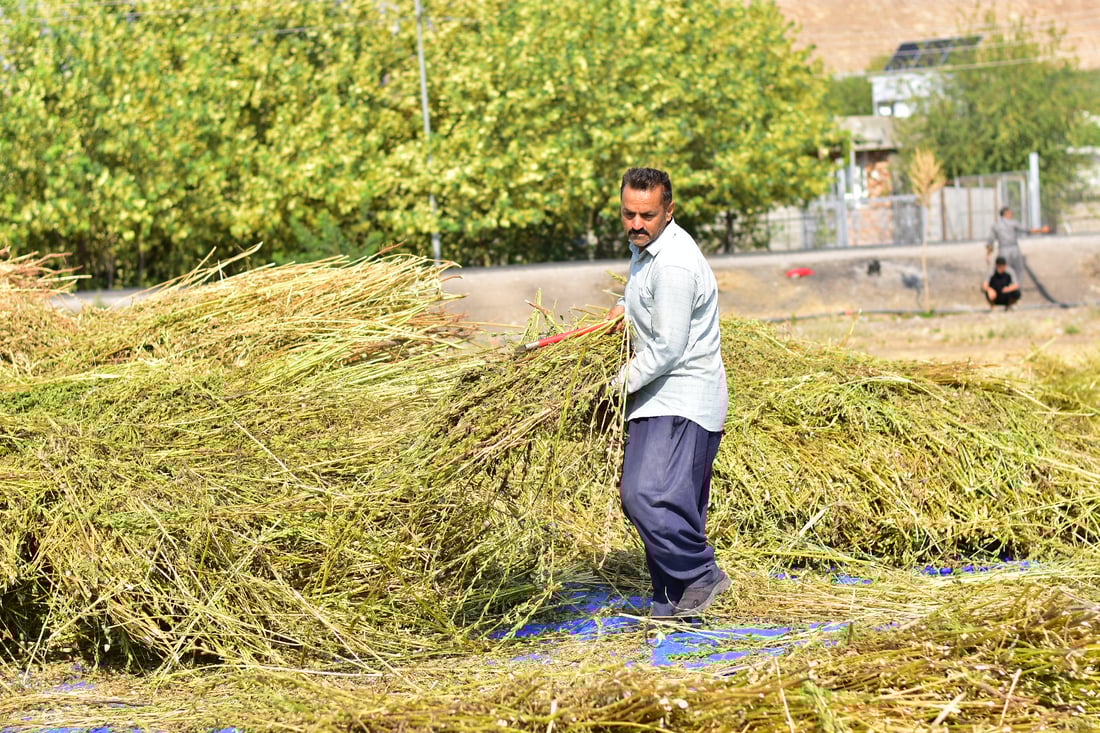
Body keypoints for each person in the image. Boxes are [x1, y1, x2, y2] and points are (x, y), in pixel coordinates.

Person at [605, 167, 730, 619]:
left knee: (647, 495)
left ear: (669, 211)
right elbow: (641, 298)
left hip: (680, 398)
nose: (636, 224)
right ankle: (674, 601)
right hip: (656, 397)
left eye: (647, 215)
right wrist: (620, 309)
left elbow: (667, 348)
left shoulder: (675, 264)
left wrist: (611, 388)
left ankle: (700, 575)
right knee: (675, 502)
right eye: (628, 214)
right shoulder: (648, 250)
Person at [985, 206, 1049, 283]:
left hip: (1003, 250)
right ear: (1006, 213)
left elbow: (990, 241)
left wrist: (988, 254)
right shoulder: (1013, 223)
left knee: (1002, 268)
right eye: (1010, 213)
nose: (1011, 215)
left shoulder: (995, 225)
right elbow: (1027, 230)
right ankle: (1016, 287)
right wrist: (1041, 230)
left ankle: (1004, 286)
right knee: (1019, 269)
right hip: (1014, 249)